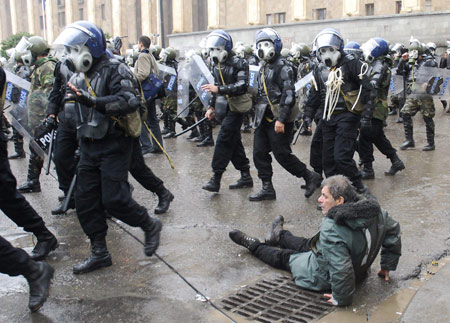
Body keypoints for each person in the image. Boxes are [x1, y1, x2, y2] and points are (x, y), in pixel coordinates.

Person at [54, 21, 162, 274]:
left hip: (114, 143)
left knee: (114, 200)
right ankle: (99, 252)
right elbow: (71, 108)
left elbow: (128, 101)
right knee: (86, 201)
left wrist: (93, 101)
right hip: (88, 145)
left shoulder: (116, 69)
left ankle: (148, 224)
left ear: (89, 47)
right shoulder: (78, 76)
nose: (70, 56)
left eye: (74, 49)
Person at [229, 175, 401, 307]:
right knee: (308, 244)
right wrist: (387, 265)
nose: (319, 200)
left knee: (286, 257)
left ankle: (254, 245)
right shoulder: (377, 212)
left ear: (340, 201)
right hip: (358, 269)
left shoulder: (332, 228)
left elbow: (341, 269)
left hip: (323, 277)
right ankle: (279, 235)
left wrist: (341, 298)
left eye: (324, 196)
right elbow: (393, 233)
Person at [249, 28, 321, 201]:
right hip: (263, 117)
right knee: (259, 153)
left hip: (278, 118)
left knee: (282, 154)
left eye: (266, 44)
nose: (262, 48)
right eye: (260, 45)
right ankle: (267, 188)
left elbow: (288, 95)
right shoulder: (262, 67)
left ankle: (309, 176)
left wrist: (281, 119)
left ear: (276, 45)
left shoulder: (284, 67)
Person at [304, 28, 371, 193]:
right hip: (328, 117)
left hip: (348, 115)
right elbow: (314, 95)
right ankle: (333, 192)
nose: (327, 54)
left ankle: (358, 187)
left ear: (338, 49)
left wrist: (366, 116)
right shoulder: (319, 70)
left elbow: (368, 90)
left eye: (330, 50)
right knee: (328, 159)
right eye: (323, 50)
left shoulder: (353, 65)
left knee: (342, 156)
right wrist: (307, 116)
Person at [201, 30, 253, 193]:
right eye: (212, 49)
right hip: (225, 107)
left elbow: (242, 85)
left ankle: (216, 178)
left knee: (224, 139)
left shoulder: (239, 62)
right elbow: (214, 86)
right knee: (233, 141)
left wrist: (219, 89)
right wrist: (211, 107)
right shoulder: (216, 64)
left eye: (218, 48)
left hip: (237, 106)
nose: (214, 53)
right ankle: (246, 176)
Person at [358, 37, 405, 179]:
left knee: (365, 137)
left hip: (375, 107)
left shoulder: (379, 65)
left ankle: (368, 169)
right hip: (376, 107)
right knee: (377, 137)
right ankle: (395, 161)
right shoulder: (378, 63)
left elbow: (372, 85)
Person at [17, 36, 57, 193]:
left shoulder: (47, 67)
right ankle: (33, 181)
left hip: (45, 120)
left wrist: (49, 117)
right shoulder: (40, 67)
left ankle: (70, 191)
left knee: (55, 154)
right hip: (40, 120)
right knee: (37, 149)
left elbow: (50, 93)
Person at [398, 40, 438, 151]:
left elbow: (436, 76)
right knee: (405, 113)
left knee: (427, 117)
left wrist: (429, 83)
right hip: (414, 93)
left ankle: (431, 143)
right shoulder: (411, 62)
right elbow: (399, 71)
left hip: (424, 94)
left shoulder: (429, 61)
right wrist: (402, 60)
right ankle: (409, 140)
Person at [134, 35, 163, 155]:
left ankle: (146, 145)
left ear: (141, 44)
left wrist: (131, 78)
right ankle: (158, 146)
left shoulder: (143, 56)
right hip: (151, 91)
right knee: (152, 119)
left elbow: (143, 74)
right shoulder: (150, 55)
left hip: (144, 92)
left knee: (140, 119)